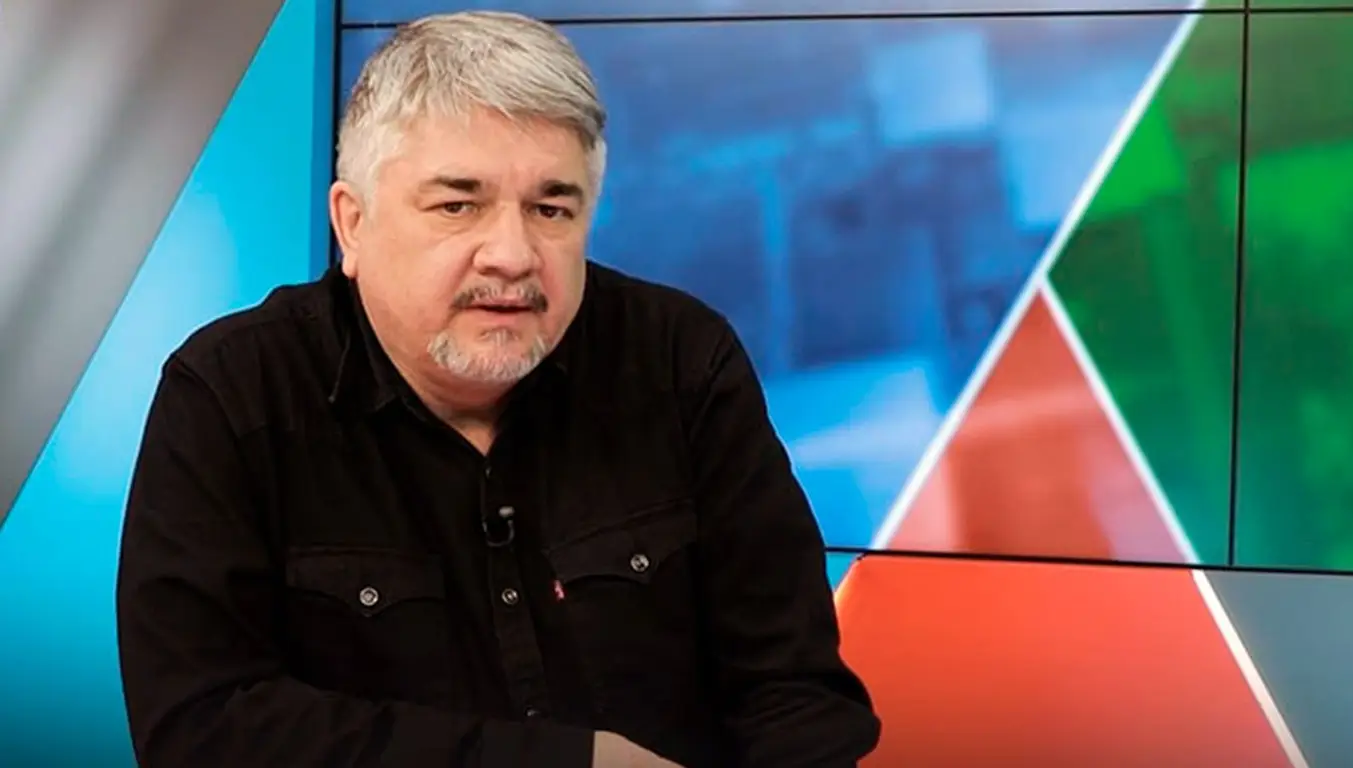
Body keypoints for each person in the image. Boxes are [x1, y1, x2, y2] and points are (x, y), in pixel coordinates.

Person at [115, 10, 880, 768]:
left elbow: (793, 696)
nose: (512, 255)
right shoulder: (231, 395)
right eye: (458, 205)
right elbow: (200, 728)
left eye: (551, 208)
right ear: (352, 225)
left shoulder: (682, 361)